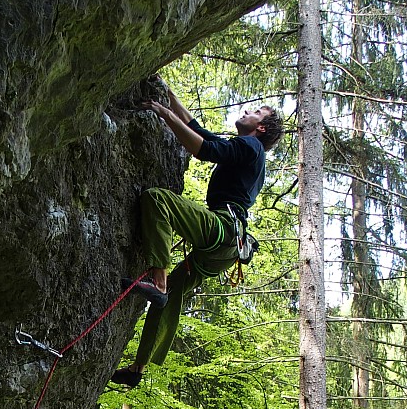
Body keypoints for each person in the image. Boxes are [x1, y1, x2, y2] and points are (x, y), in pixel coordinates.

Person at [111, 84, 283, 387]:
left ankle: (158, 280)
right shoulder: (244, 151)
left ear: (261, 127)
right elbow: (201, 133)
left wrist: (164, 113)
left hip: (223, 229)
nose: (246, 111)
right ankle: (137, 368)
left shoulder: (251, 147)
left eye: (255, 112)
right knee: (168, 299)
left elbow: (202, 149)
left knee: (157, 199)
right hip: (227, 249)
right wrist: (170, 96)